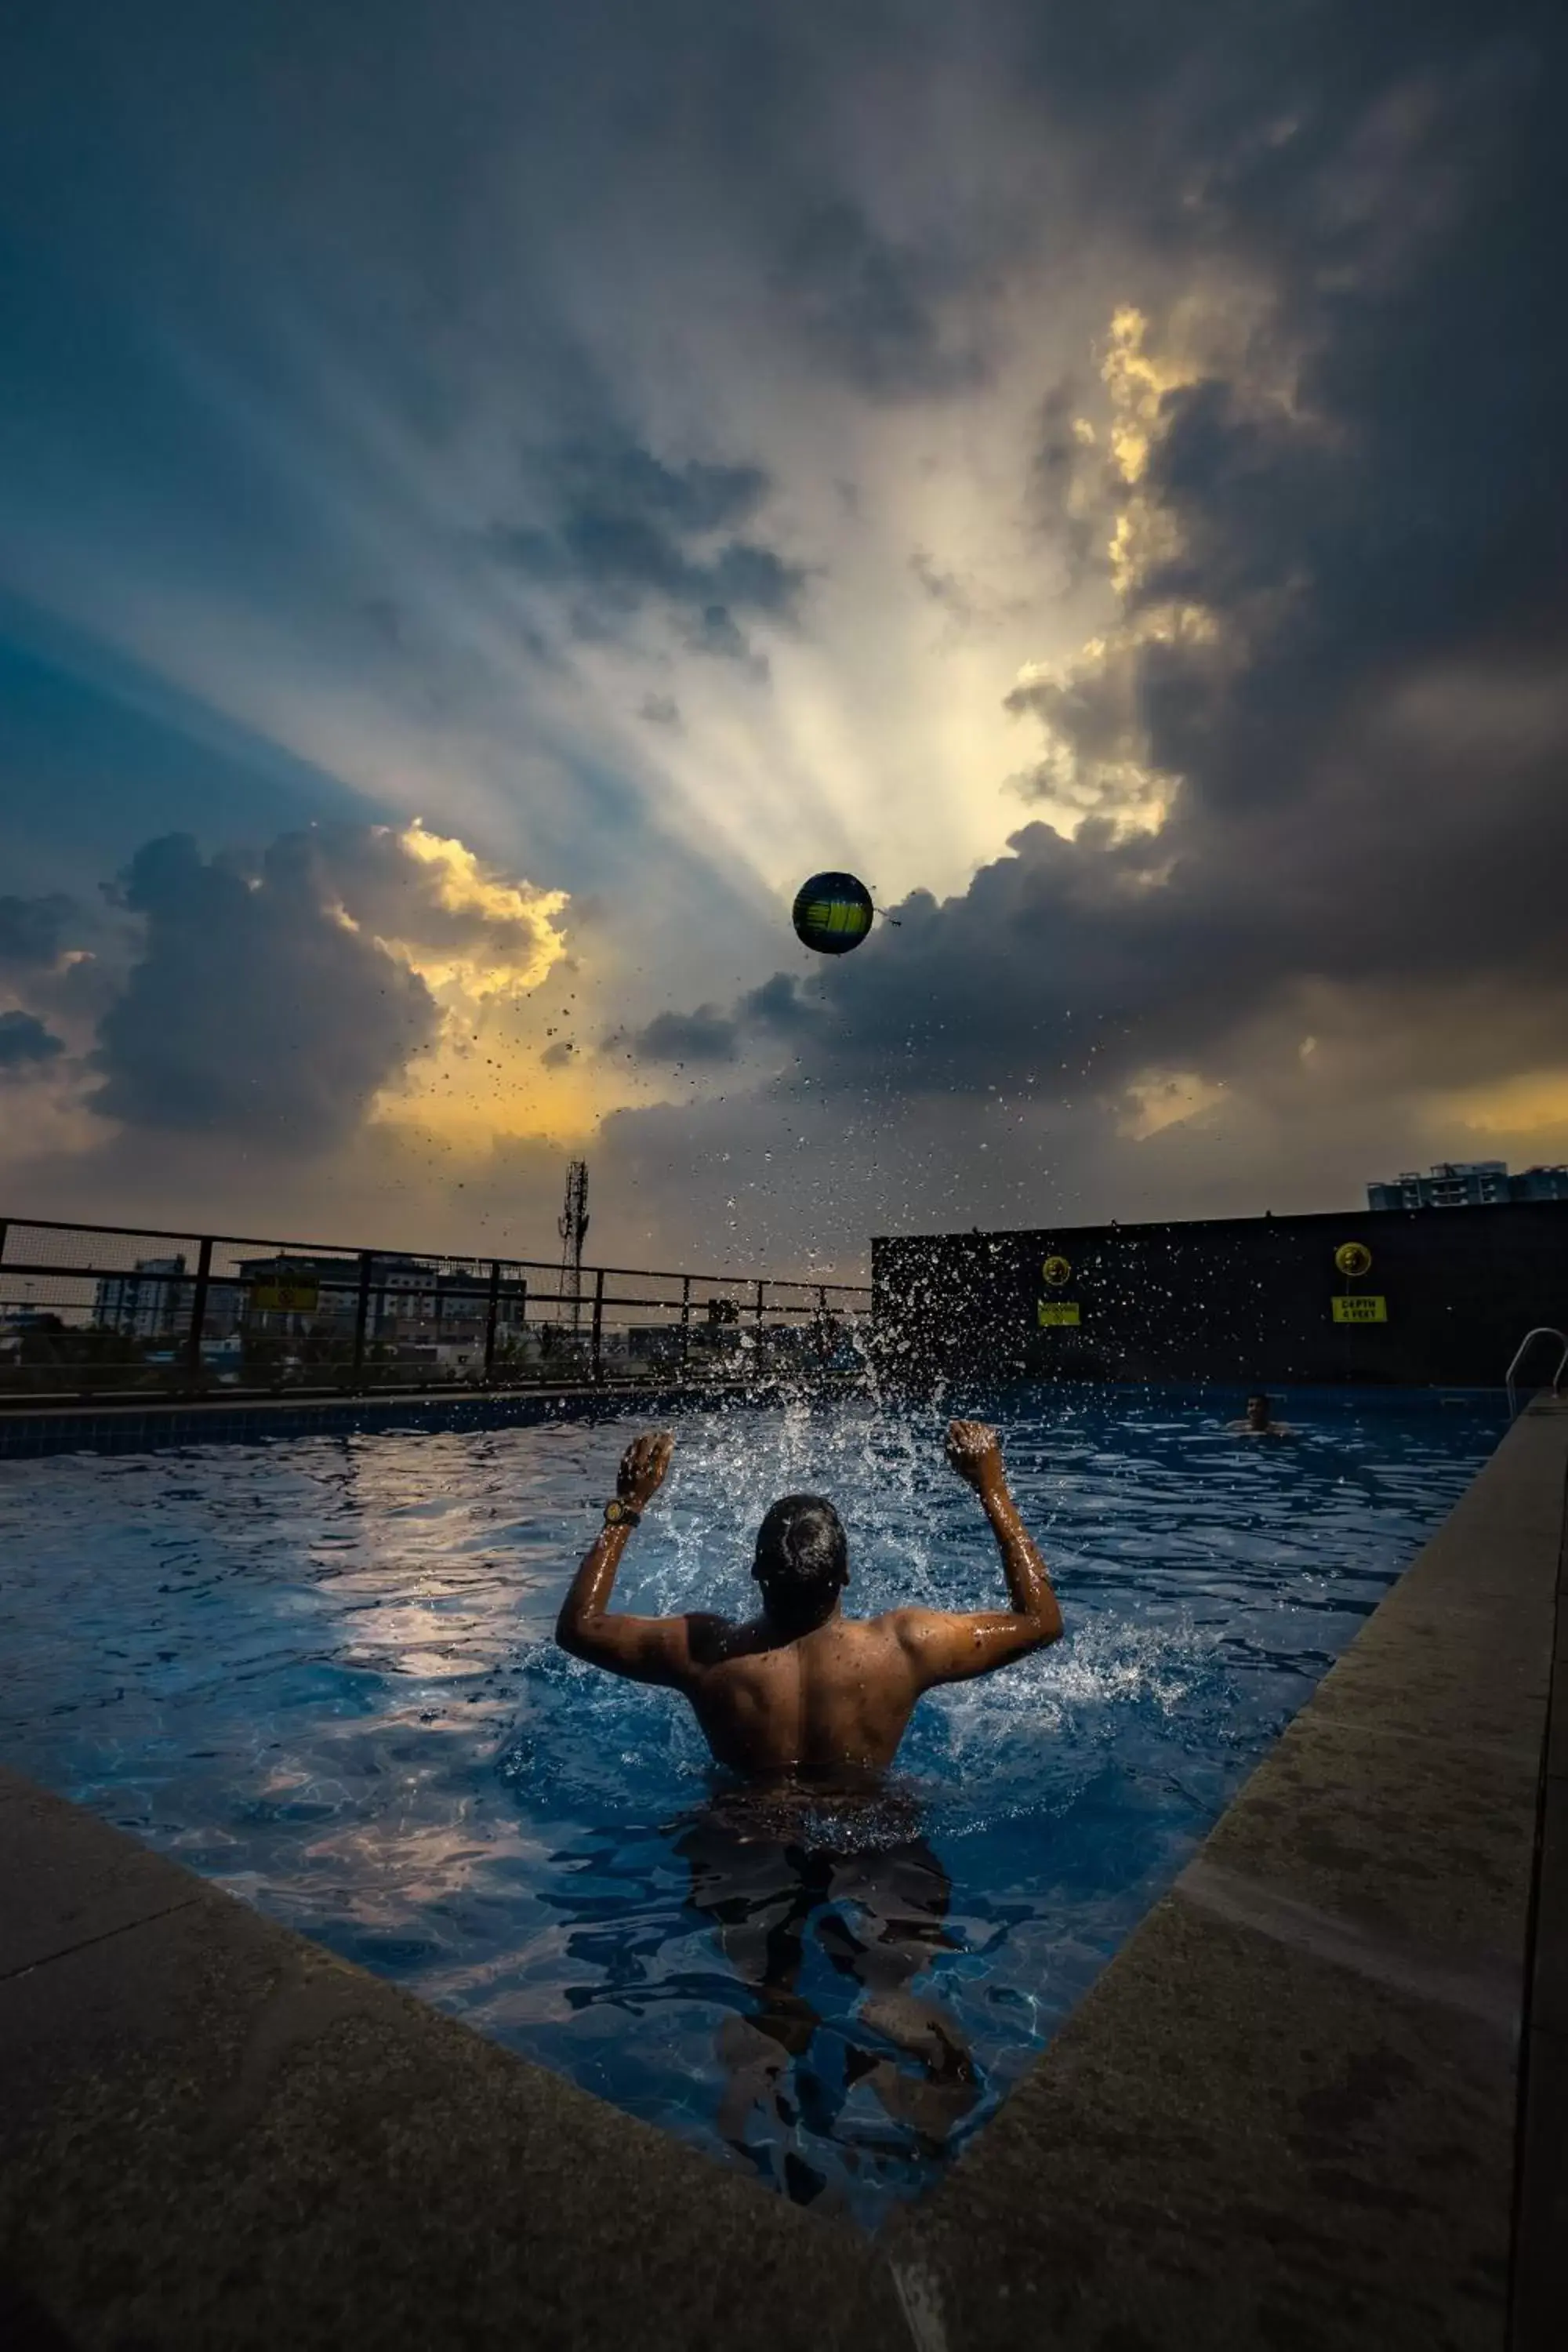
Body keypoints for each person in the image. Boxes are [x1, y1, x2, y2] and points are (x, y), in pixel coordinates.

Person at [554, 1417, 1063, 1778]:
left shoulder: (704, 1651)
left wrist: (627, 1506)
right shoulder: (905, 1647)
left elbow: (581, 1625)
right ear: (845, 1575)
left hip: (741, 1833)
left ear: (755, 1571)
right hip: (870, 1828)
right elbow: (1041, 1621)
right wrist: (991, 1488)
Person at [1229, 1390, 1294, 1437]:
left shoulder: (1278, 1429)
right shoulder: (1235, 1426)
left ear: (1267, 1409)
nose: (1254, 1409)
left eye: (1258, 1405)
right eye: (1251, 1405)